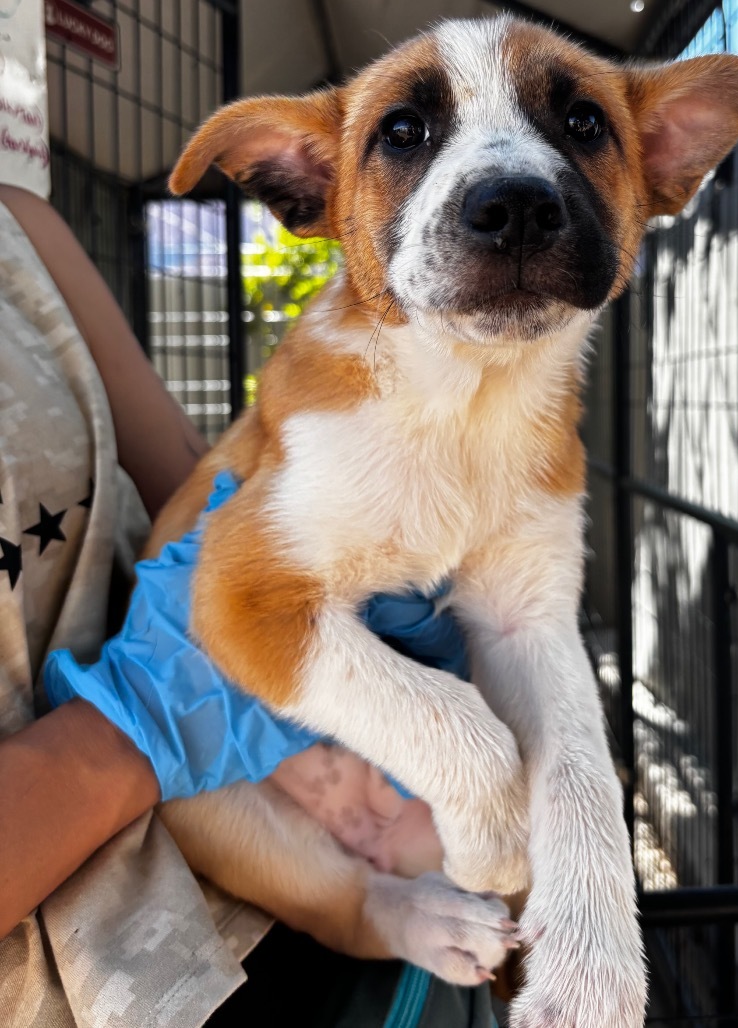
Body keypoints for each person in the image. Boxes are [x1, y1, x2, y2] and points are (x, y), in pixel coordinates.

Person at [0, 184, 496, 1027]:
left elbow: (193, 471)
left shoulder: (18, 229)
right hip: (119, 974)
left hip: (299, 820)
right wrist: (134, 727)